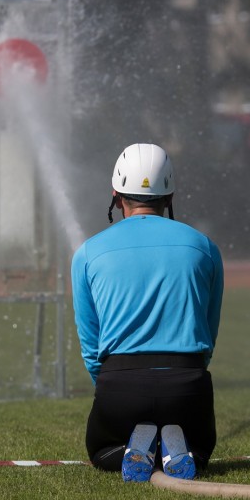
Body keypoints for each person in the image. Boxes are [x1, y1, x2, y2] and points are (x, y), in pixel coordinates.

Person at [71, 143, 223, 482]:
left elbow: (90, 344)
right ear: (169, 197)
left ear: (116, 195)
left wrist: (110, 385)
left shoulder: (87, 252)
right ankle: (178, 448)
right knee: (200, 453)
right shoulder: (205, 247)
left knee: (100, 450)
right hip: (188, 386)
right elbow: (208, 335)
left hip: (119, 387)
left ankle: (132, 447)